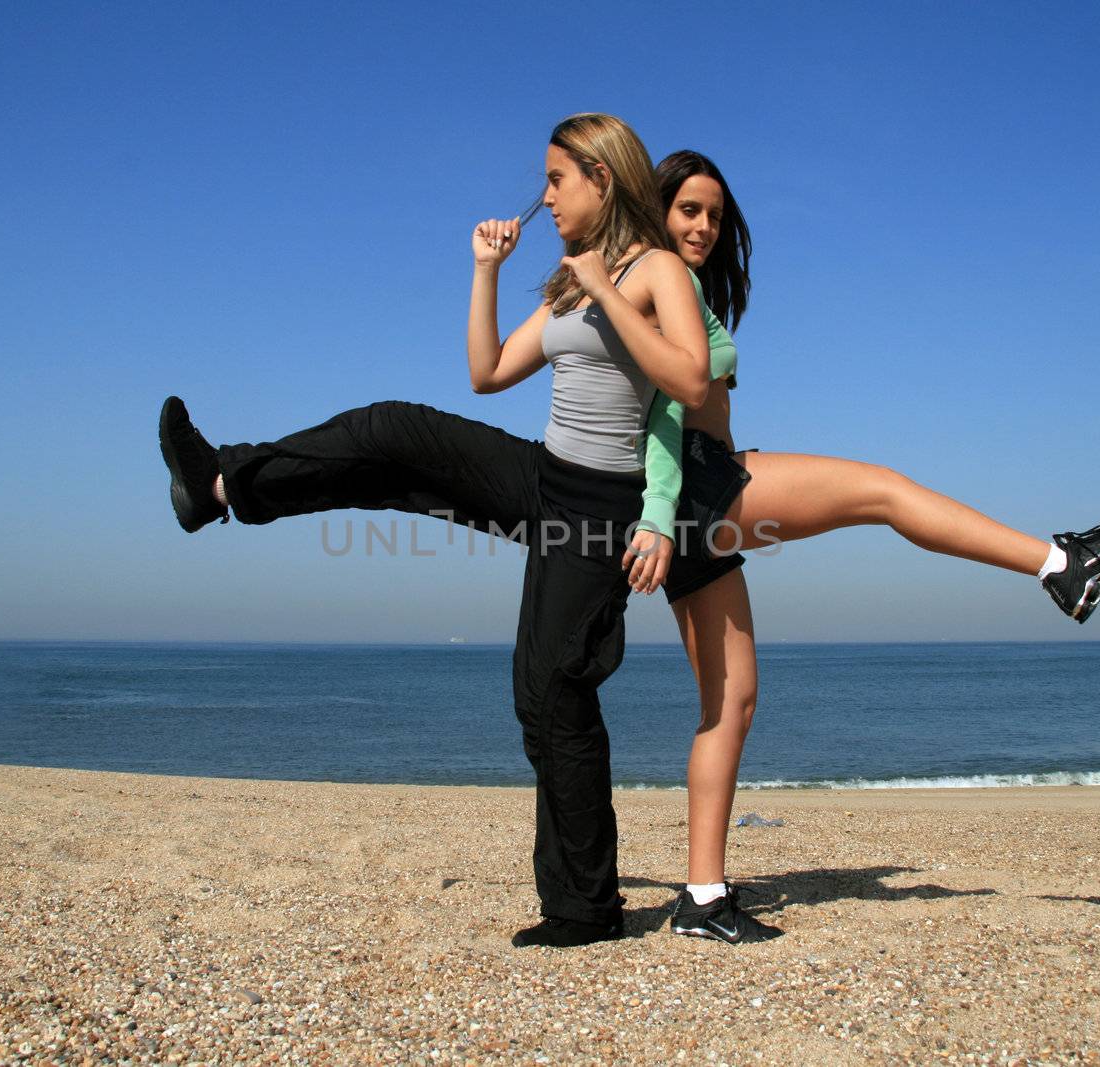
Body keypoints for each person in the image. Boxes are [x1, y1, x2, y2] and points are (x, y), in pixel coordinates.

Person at [156, 114, 711, 948]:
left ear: (602, 179)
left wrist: (602, 287)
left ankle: (585, 907)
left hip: (602, 507)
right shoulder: (569, 277)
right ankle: (225, 483)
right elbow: (486, 374)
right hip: (542, 475)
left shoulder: (655, 268)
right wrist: (486, 272)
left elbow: (692, 378)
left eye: (558, 179)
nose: (546, 196)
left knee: (550, 688)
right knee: (391, 431)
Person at [626, 150, 1100, 944]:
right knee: (884, 491)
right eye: (688, 209)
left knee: (730, 703)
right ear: (658, 209)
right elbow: (661, 413)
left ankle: (700, 894)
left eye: (715, 215)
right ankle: (1061, 563)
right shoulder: (663, 277)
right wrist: (660, 510)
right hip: (699, 487)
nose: (703, 226)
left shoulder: (657, 278)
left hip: (689, 498)